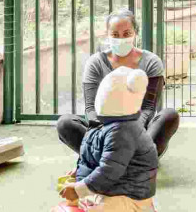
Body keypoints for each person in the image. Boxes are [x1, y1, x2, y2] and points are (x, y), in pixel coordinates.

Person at [56, 9, 180, 158]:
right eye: (115, 35)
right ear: (107, 35)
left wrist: (130, 132)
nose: (121, 39)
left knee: (170, 116)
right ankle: (131, 163)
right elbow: (90, 108)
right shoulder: (95, 63)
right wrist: (110, 133)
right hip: (103, 131)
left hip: (140, 133)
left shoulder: (151, 62)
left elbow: (148, 108)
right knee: (65, 123)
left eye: (127, 33)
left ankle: (110, 161)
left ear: (135, 33)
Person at [58, 67, 159, 212]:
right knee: (72, 200)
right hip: (113, 189)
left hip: (128, 196)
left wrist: (79, 189)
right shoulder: (108, 125)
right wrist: (80, 170)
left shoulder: (122, 131)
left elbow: (109, 170)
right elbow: (100, 155)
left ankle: (142, 209)